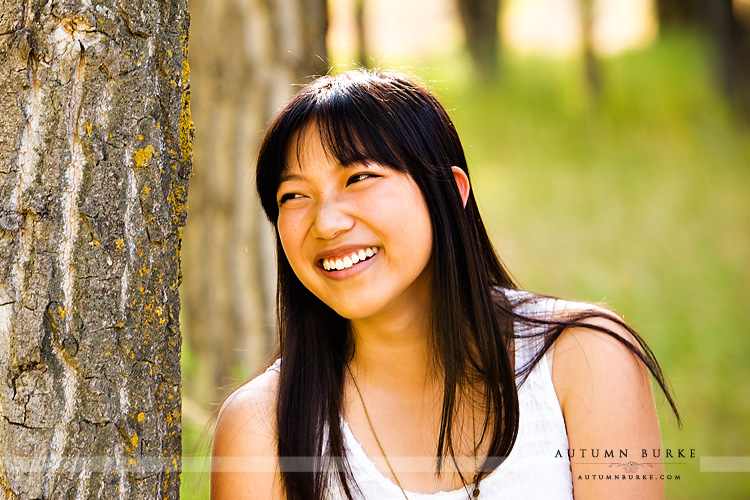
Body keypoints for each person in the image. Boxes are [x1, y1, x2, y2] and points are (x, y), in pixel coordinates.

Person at [210, 69, 679, 500]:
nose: (327, 223)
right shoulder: (260, 428)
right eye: (294, 195)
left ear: (450, 192)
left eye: (359, 177)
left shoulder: (585, 359)